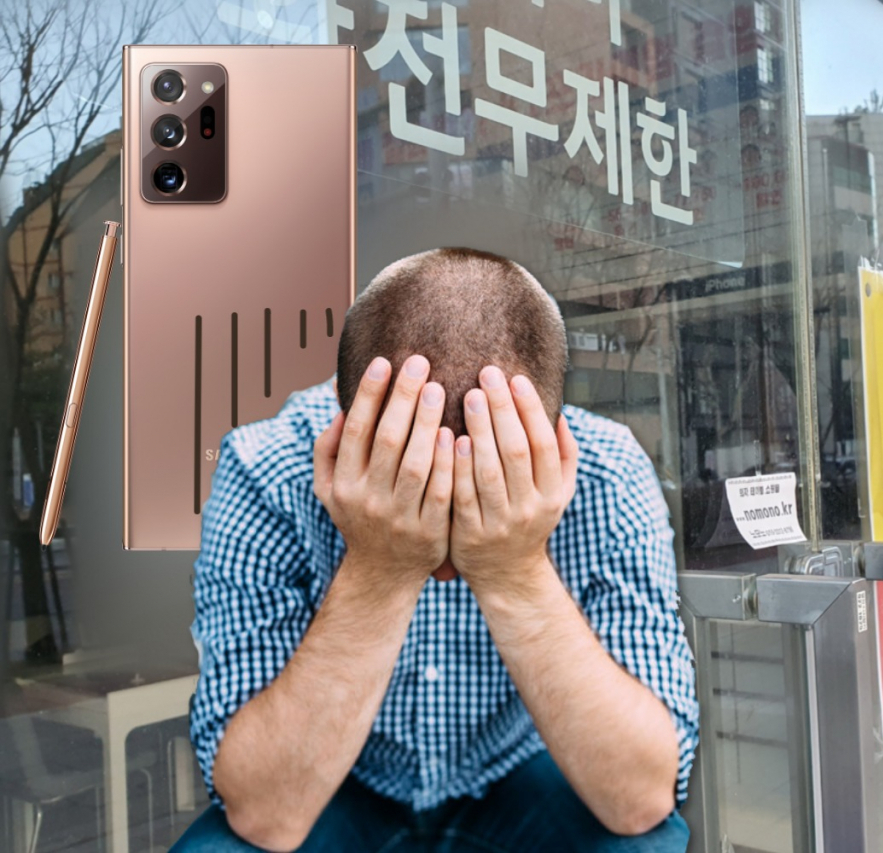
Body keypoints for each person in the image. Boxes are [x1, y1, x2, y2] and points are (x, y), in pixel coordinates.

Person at [172, 248, 698, 852]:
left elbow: (641, 798)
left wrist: (513, 568)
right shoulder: (264, 466)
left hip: (519, 770)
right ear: (347, 437)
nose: (443, 555)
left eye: (483, 499)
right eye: (407, 493)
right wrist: (380, 565)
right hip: (344, 782)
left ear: (553, 441)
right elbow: (265, 813)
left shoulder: (607, 468)